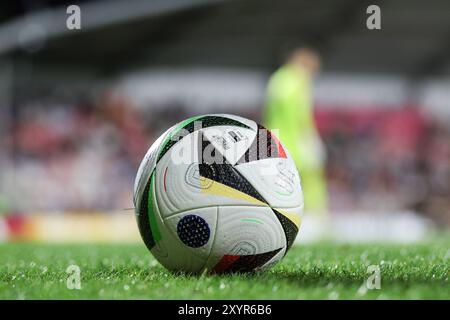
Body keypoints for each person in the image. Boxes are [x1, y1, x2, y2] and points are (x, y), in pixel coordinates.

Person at [264, 47, 328, 220]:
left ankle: (277, 219)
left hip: (273, 138)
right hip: (295, 141)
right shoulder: (298, 80)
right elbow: (301, 113)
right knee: (311, 180)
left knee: (276, 184)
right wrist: (309, 137)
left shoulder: (277, 78)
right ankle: (316, 218)